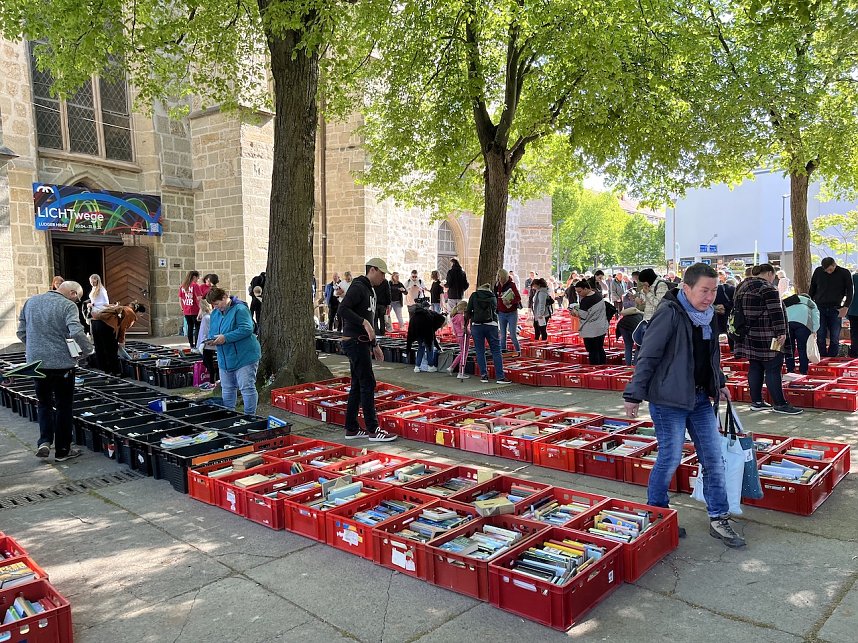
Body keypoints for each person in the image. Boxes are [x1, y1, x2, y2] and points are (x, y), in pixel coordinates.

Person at [623, 263, 745, 548]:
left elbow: (710, 357)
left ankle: (719, 517)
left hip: (701, 398)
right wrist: (633, 395)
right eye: (704, 290)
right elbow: (648, 356)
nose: (709, 296)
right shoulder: (669, 314)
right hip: (669, 400)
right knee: (669, 458)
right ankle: (657, 514)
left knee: (714, 458)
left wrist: (720, 382)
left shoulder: (709, 317)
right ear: (686, 288)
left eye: (714, 290)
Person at [17, 280, 93, 462]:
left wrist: (35, 347)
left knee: (43, 403)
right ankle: (62, 450)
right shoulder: (68, 306)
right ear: (73, 294)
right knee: (63, 406)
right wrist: (88, 350)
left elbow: (21, 331)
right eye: (78, 298)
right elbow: (76, 332)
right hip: (62, 364)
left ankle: (44, 441)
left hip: (36, 363)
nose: (76, 302)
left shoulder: (31, 301)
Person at [338, 258, 397, 441]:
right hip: (354, 341)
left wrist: (375, 345)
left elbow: (369, 321)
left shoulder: (371, 290)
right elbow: (342, 309)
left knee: (357, 384)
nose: (383, 277)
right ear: (373, 270)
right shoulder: (358, 287)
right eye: (382, 273)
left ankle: (352, 428)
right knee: (367, 383)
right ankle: (373, 429)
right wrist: (362, 322)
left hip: (362, 342)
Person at [733, 264, 802, 414]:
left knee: (755, 366)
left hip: (747, 333)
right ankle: (780, 404)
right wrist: (781, 332)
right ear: (770, 273)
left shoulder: (741, 286)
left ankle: (756, 401)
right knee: (773, 368)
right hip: (767, 334)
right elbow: (776, 311)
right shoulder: (767, 288)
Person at [206, 287, 261, 415]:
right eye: (213, 305)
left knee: (246, 388)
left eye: (217, 303)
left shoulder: (240, 309)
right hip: (225, 357)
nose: (215, 307)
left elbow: (247, 329)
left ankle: (250, 416)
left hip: (244, 356)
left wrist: (225, 338)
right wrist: (211, 340)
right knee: (227, 388)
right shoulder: (215, 313)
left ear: (225, 297)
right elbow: (213, 331)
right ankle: (228, 415)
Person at [465, 284, 512, 384]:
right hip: (491, 325)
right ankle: (500, 377)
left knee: (480, 351)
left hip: (477, 326)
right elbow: (497, 310)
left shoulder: (474, 295)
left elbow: (468, 311)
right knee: (496, 351)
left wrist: (465, 325)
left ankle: (484, 375)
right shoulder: (492, 296)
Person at [809, 257, 852, 357]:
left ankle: (832, 356)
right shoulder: (818, 271)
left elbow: (850, 291)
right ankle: (821, 356)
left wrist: (846, 306)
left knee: (834, 336)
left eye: (830, 270)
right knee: (820, 335)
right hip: (820, 307)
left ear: (834, 265)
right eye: (826, 270)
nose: (828, 272)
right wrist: (810, 304)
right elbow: (812, 288)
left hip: (836, 307)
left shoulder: (844, 273)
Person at [87, 274, 120, 375]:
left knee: (106, 344)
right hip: (94, 317)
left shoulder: (102, 290)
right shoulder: (93, 289)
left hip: (101, 316)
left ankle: (111, 368)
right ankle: (104, 367)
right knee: (98, 344)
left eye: (94, 281)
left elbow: (105, 303)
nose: (92, 283)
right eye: (91, 281)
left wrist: (94, 305)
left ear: (97, 280)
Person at [571, 280, 609, 364]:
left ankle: (595, 369)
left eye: (579, 291)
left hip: (591, 330)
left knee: (592, 351)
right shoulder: (598, 295)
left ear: (586, 289)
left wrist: (575, 312)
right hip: (601, 327)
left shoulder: (586, 301)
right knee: (600, 348)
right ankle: (602, 368)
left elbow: (583, 315)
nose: (579, 294)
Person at [785, 293, 820, 375]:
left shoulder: (789, 301)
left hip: (787, 324)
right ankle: (803, 371)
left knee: (789, 349)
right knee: (802, 348)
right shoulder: (810, 303)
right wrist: (814, 330)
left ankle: (790, 370)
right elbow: (816, 317)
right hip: (803, 324)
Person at [407, 301, 446, 372]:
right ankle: (430, 366)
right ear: (428, 307)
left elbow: (411, 327)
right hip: (428, 335)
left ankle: (417, 367)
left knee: (420, 349)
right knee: (429, 349)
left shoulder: (415, 315)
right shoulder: (430, 314)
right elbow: (441, 319)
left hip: (419, 335)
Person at [495, 268, 522, 354]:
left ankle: (518, 350)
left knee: (512, 334)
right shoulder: (497, 285)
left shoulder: (511, 285)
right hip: (501, 312)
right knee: (502, 335)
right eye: (498, 277)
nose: (499, 278)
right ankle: (503, 351)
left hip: (511, 312)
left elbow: (518, 297)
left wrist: (510, 301)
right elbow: (495, 297)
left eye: (500, 277)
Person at [196, 298, 219, 390]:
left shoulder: (206, 318)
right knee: (208, 362)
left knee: (208, 363)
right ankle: (214, 380)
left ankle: (212, 382)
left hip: (207, 344)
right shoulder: (209, 316)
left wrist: (203, 342)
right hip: (208, 343)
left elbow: (205, 331)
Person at [179, 270, 202, 348]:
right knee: (198, 327)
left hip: (186, 310)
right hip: (195, 309)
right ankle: (197, 344)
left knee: (190, 327)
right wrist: (201, 309)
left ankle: (191, 345)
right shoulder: (195, 285)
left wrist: (183, 309)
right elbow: (199, 299)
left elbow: (180, 299)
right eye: (197, 277)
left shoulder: (183, 286)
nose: (197, 279)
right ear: (194, 277)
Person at [714, 270, 736, 351]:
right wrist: (725, 306)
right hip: (728, 315)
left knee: (715, 332)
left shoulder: (714, 289)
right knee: (730, 332)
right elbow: (736, 301)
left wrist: (715, 307)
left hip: (715, 314)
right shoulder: (732, 289)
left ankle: (714, 350)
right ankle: (733, 350)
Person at [447, 301, 470, 378]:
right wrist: (470, 332)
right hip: (463, 336)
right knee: (464, 354)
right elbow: (463, 327)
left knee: (462, 353)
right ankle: (460, 372)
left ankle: (451, 367)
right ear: (464, 308)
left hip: (458, 336)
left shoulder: (454, 316)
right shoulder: (461, 317)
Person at [849, 269, 858, 358]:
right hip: (854, 309)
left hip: (853, 309)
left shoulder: (853, 277)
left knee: (854, 333)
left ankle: (854, 353)